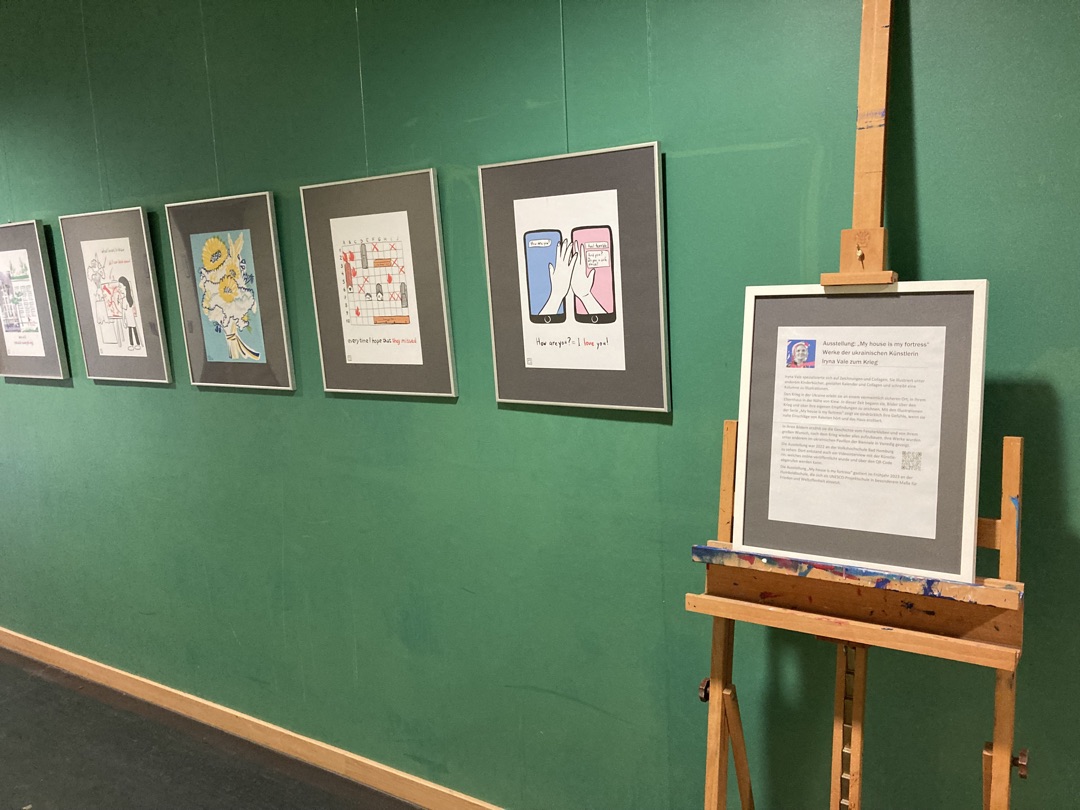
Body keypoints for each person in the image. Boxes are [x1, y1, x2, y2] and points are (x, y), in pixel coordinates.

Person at [118, 276, 141, 351]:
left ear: (125, 287)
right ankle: (134, 344)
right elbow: (124, 311)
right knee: (132, 330)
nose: (119, 289)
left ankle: (135, 344)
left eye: (120, 286)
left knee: (132, 330)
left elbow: (124, 311)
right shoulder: (126, 299)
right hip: (129, 318)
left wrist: (123, 320)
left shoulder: (126, 299)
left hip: (129, 318)